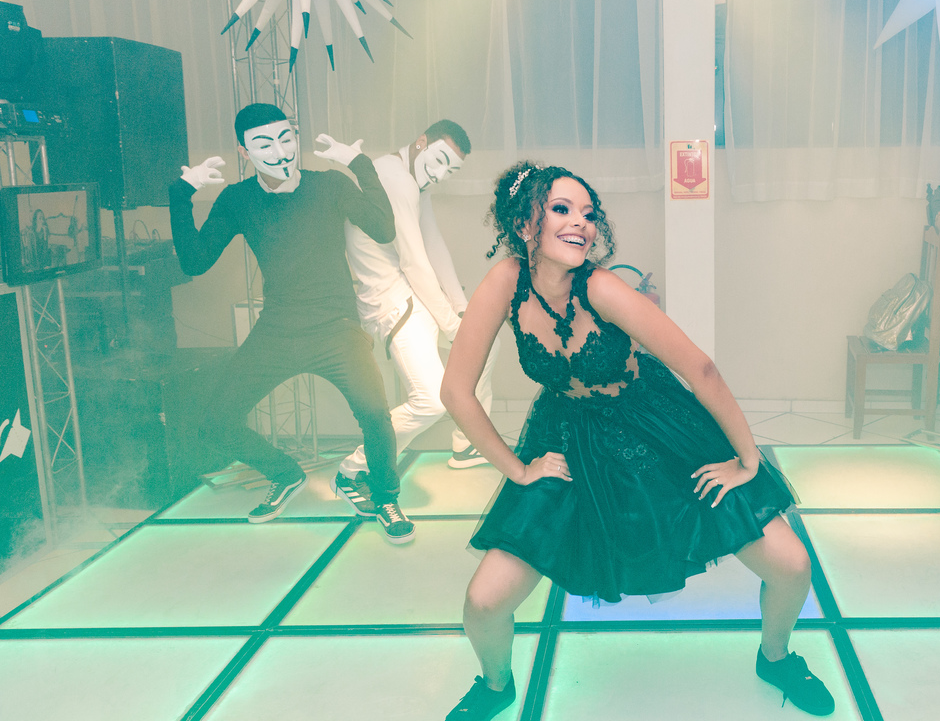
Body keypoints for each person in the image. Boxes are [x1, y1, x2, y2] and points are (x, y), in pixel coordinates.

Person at [438, 163, 835, 719]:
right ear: (526, 222)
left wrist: (747, 459)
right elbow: (456, 391)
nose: (583, 222)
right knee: (482, 602)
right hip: (566, 440)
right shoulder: (505, 281)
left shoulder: (600, 286)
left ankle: (776, 656)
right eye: (562, 209)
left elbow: (701, 370)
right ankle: (495, 683)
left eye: (588, 212)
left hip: (655, 428)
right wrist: (517, 468)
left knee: (792, 565)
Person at [169, 102, 414, 542]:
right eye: (264, 143)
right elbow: (194, 260)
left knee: (376, 415)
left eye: (287, 138)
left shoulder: (329, 186)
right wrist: (180, 194)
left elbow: (382, 228)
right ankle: (284, 472)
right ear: (245, 152)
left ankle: (386, 497)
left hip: (337, 326)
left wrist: (359, 165)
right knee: (214, 422)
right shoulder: (238, 199)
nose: (280, 151)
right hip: (278, 327)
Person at [334, 120, 500, 514]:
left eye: (450, 170)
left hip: (415, 298)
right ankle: (354, 468)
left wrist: (462, 309)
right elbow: (413, 261)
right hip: (393, 302)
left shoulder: (414, 179)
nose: (440, 174)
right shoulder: (394, 179)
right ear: (420, 142)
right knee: (430, 401)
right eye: (439, 160)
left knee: (485, 343)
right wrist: (450, 323)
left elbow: (433, 244)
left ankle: (466, 444)